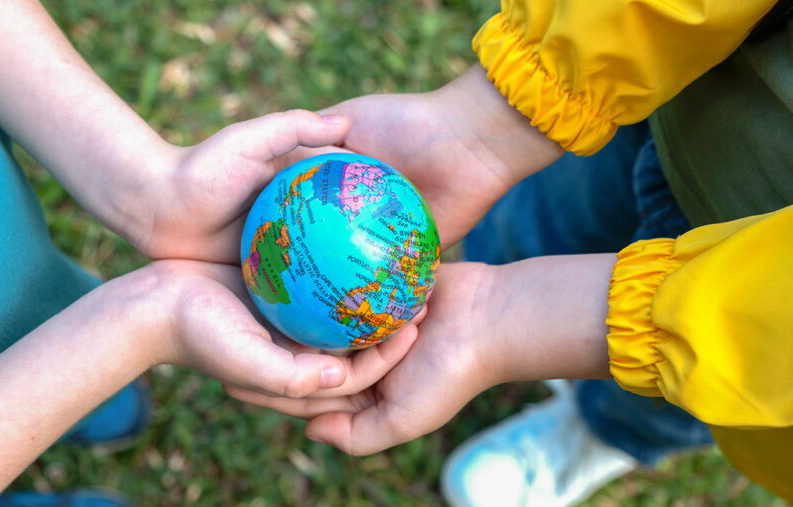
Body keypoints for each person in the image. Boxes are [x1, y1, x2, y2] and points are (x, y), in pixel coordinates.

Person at [225, 0, 793, 504]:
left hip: (753, 340)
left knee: (673, 386)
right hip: (687, 98)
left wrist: (516, 320)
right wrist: (492, 118)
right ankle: (513, 285)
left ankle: (607, 429)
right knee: (546, 224)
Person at [0, 0, 417, 504]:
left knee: (54, 346)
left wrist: (150, 189)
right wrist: (137, 323)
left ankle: (73, 385)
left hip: (8, 260)